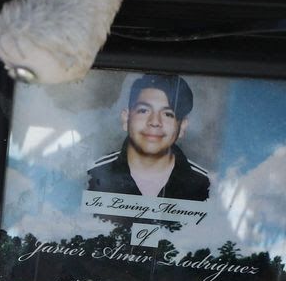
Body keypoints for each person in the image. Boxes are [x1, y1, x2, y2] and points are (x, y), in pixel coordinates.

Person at [86, 73, 211, 201]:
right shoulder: (91, 177)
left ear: (182, 127)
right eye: (144, 111)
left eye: (168, 114)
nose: (155, 122)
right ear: (126, 119)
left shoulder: (206, 186)